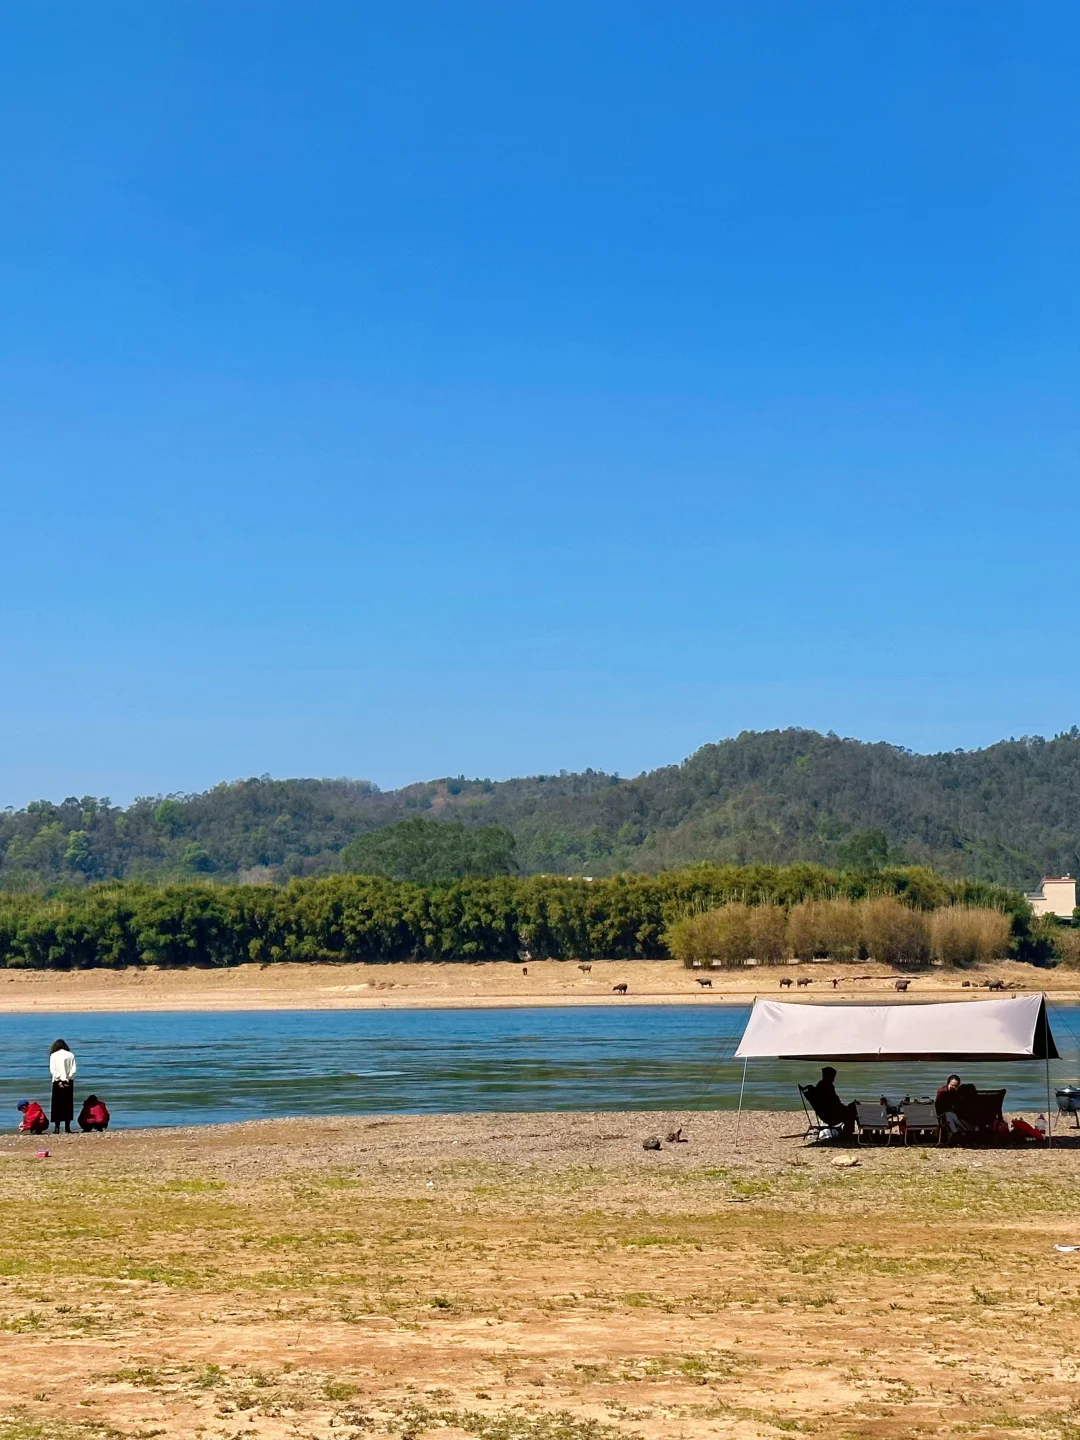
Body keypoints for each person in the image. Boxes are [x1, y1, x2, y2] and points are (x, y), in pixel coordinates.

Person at [806, 1065, 857, 1137]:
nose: (833, 1079)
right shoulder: (827, 1087)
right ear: (828, 1076)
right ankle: (848, 1132)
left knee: (853, 1106)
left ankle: (848, 1131)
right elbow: (835, 1104)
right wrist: (847, 1107)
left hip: (827, 1114)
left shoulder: (820, 1086)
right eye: (833, 1077)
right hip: (832, 1116)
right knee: (854, 1107)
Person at [935, 1073, 978, 1142]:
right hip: (942, 1114)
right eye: (952, 1085)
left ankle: (963, 1132)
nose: (954, 1087)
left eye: (956, 1086)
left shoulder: (957, 1093)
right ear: (948, 1083)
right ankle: (956, 1133)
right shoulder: (942, 1092)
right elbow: (942, 1107)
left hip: (954, 1113)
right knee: (948, 1114)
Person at [49, 1038, 77, 1134]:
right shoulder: (70, 1055)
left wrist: (59, 1078)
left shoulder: (53, 1055)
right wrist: (67, 1077)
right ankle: (67, 1128)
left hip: (57, 1082)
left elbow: (53, 1070)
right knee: (68, 1105)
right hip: (69, 1082)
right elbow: (73, 1070)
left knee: (56, 1105)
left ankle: (57, 1128)